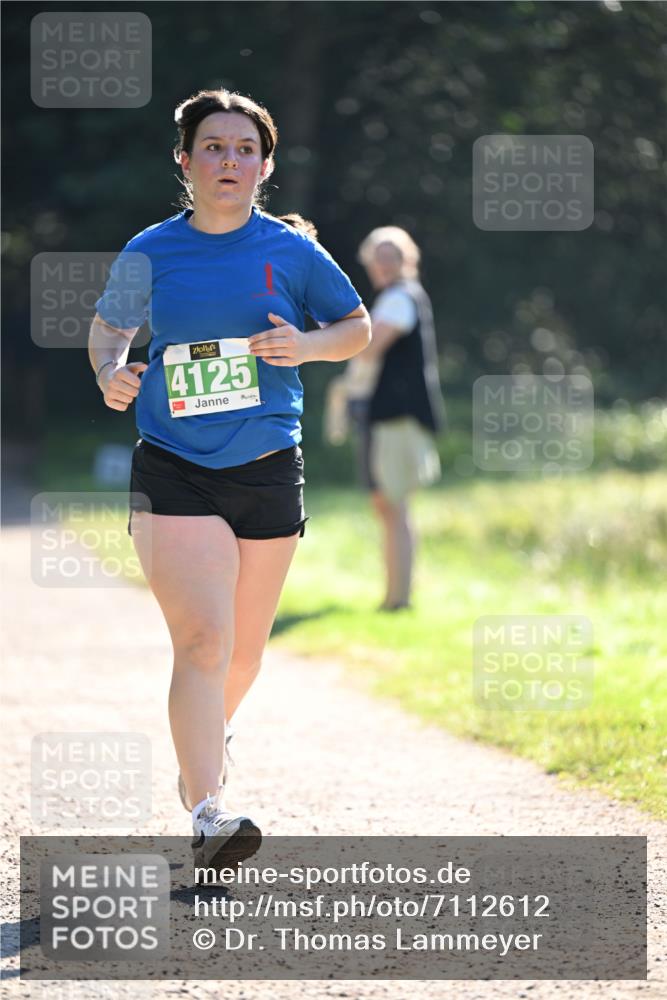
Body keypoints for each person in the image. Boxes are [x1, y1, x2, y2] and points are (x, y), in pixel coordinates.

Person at [87, 88, 370, 865]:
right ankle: (210, 811)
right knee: (204, 641)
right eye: (213, 146)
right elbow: (109, 328)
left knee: (242, 654)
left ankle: (200, 754)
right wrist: (111, 370)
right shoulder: (152, 249)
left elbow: (355, 327)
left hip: (268, 465)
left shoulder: (291, 250)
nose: (229, 160)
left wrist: (305, 349)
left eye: (244, 149)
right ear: (185, 160)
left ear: (264, 165)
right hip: (174, 467)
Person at [354, 227, 445, 611]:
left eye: (391, 256)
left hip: (397, 418)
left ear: (407, 259)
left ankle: (398, 600)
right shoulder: (397, 298)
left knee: (395, 506)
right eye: (378, 258)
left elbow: (368, 349)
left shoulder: (398, 299)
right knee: (389, 507)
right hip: (389, 417)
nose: (384, 265)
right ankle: (394, 596)